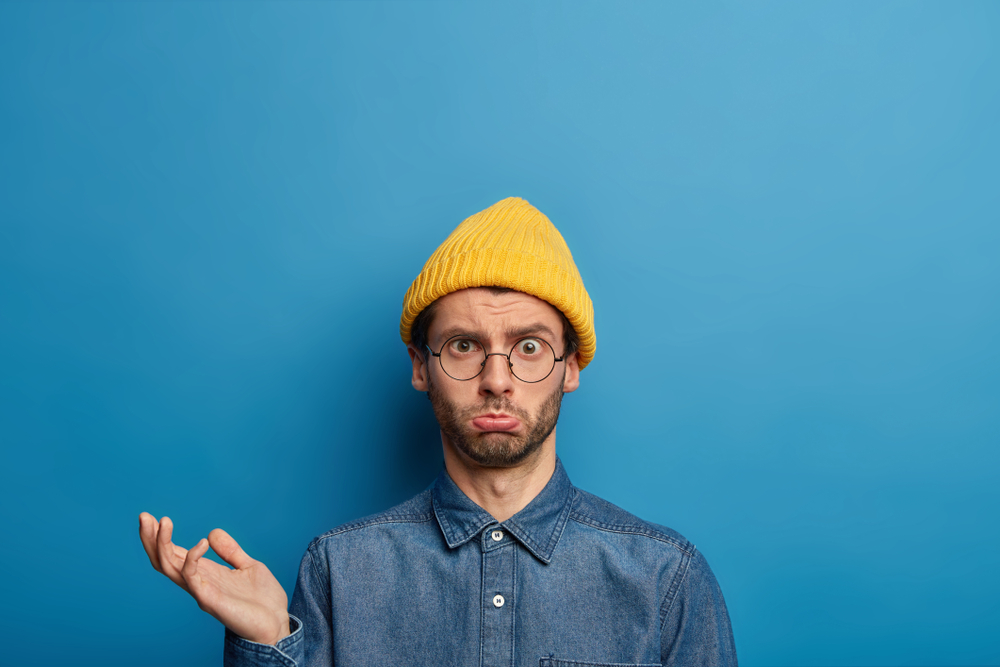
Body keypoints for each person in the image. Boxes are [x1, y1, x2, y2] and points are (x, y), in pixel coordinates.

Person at [139, 197, 738, 666]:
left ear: (571, 366)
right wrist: (271, 644)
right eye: (463, 345)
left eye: (529, 347)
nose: (496, 379)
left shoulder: (667, 577)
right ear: (421, 367)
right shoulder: (339, 572)